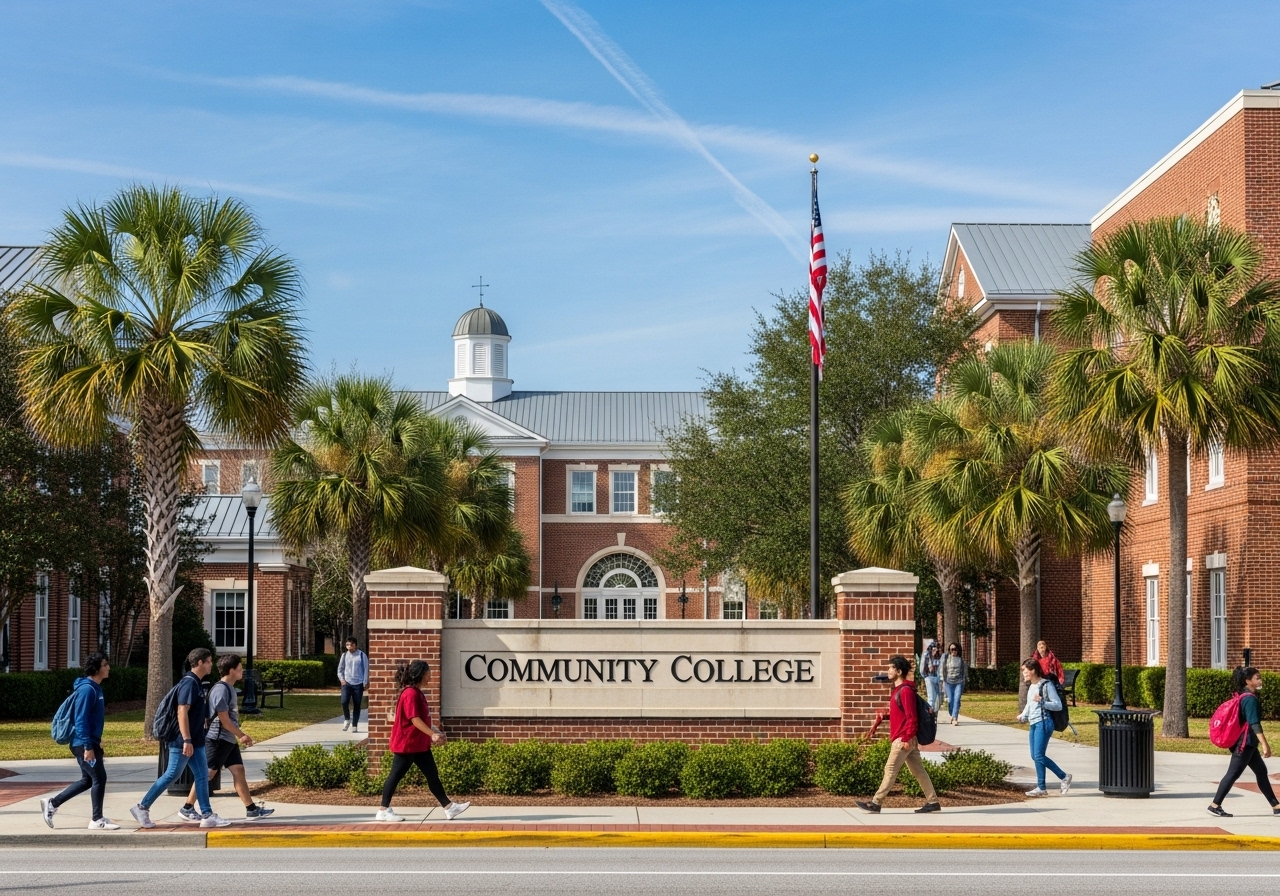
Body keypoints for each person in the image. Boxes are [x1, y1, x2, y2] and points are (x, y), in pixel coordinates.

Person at [130, 648, 230, 829]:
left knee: (201, 775)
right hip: (182, 740)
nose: (210, 665)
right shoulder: (189, 683)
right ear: (199, 662)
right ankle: (142, 807)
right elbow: (181, 711)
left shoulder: (197, 683)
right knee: (172, 774)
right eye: (208, 661)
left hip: (196, 740)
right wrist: (186, 739)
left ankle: (207, 814)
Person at [178, 654, 274, 821]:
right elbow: (224, 718)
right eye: (240, 668)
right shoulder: (221, 689)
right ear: (231, 670)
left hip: (227, 739)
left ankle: (251, 809)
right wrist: (241, 735)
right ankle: (187, 807)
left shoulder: (228, 688)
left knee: (238, 771)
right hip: (218, 739)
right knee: (207, 774)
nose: (242, 671)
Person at [376, 659, 470, 823]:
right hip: (406, 744)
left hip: (418, 745)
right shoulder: (410, 694)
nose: (430, 676)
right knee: (395, 776)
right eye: (429, 673)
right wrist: (432, 735)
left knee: (432, 774)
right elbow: (414, 719)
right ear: (421, 674)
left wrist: (435, 731)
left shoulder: (417, 692)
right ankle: (383, 810)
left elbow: (424, 719)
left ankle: (449, 808)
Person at [41, 652, 119, 830]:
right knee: (99, 778)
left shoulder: (95, 688)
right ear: (97, 668)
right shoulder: (87, 690)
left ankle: (52, 803)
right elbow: (81, 719)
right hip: (82, 743)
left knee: (88, 780)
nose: (108, 667)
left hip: (90, 742)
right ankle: (97, 819)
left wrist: (95, 743)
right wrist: (87, 746)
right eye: (105, 664)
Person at [854, 655, 941, 815]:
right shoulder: (898, 691)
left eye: (891, 668)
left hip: (903, 739)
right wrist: (882, 720)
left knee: (890, 769)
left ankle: (876, 803)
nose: (888, 670)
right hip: (906, 737)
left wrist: (907, 738)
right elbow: (900, 715)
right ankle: (933, 802)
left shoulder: (906, 691)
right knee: (919, 772)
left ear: (899, 671)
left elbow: (912, 717)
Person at [1208, 666, 1278, 817]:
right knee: (1233, 773)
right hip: (1244, 744)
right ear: (1248, 681)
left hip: (1248, 743)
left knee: (1261, 772)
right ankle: (1215, 804)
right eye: (1257, 678)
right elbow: (1254, 723)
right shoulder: (1249, 699)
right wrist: (1265, 745)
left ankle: (1276, 806)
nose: (1260, 680)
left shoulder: (1243, 696)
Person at [1017, 659, 1071, 797]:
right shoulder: (1032, 687)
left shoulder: (1046, 685)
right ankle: (1041, 788)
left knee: (1039, 755)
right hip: (1034, 723)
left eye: (1025, 670)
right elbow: (1029, 705)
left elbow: (1057, 705)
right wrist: (1023, 715)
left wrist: (1043, 702)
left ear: (1033, 670)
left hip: (1044, 722)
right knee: (1035, 756)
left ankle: (1064, 777)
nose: (1024, 673)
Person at [337, 637, 369, 733]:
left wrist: (364, 682)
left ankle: (354, 725)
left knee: (357, 704)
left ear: (355, 645)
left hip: (358, 684)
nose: (349, 647)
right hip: (347, 683)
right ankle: (347, 719)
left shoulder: (362, 655)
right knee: (344, 701)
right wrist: (342, 679)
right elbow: (340, 669)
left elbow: (365, 670)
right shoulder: (344, 655)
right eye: (347, 645)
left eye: (351, 645)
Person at [941, 642, 968, 726]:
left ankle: (955, 717)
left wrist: (964, 680)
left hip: (958, 682)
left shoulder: (961, 660)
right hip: (948, 682)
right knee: (951, 700)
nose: (953, 651)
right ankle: (952, 714)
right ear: (949, 650)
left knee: (956, 699)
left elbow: (964, 671)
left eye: (955, 649)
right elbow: (942, 670)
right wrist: (942, 681)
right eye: (952, 649)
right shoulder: (946, 659)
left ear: (958, 650)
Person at [920, 642, 943, 715]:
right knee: (931, 698)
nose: (935, 651)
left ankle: (935, 712)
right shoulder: (926, 656)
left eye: (937, 649)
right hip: (929, 677)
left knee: (940, 698)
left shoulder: (940, 656)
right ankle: (929, 715)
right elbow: (922, 668)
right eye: (933, 650)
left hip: (939, 678)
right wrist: (926, 677)